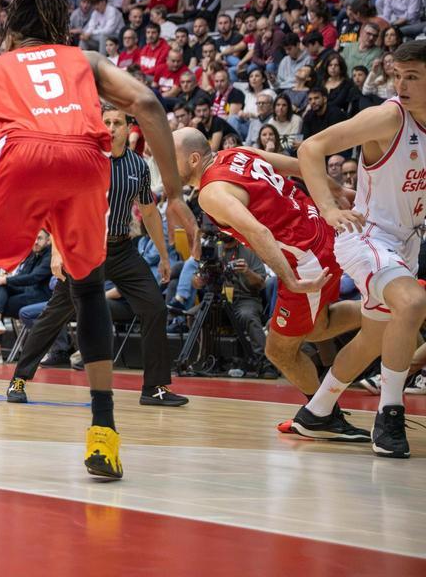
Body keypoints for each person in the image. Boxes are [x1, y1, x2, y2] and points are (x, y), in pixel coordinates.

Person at [0, 0, 198, 482]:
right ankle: (104, 434)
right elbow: (148, 104)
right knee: (87, 290)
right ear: (59, 28)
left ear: (13, 30)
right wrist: (173, 195)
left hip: (20, 157)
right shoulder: (84, 60)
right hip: (87, 162)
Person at [173, 131, 368, 436]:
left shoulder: (210, 193)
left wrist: (290, 281)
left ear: (193, 159)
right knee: (316, 327)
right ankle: (385, 311)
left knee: (278, 351)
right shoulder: (238, 152)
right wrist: (336, 189)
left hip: (306, 259)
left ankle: (325, 415)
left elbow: (259, 233)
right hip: (319, 230)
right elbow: (301, 165)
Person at [5, 107, 187, 407]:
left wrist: (164, 255)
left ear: (129, 128)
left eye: (118, 123)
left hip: (122, 248)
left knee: (155, 306)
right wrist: (57, 251)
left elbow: (150, 211)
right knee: (56, 314)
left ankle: (154, 387)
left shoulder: (138, 166)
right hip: (84, 248)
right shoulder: (81, 160)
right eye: (107, 123)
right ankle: (19, 379)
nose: (112, 128)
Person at [295, 41, 426, 458]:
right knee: (411, 301)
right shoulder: (388, 117)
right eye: (397, 75)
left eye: (412, 77)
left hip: (406, 241)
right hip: (365, 234)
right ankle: (389, 414)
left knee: (374, 338)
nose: (401, 85)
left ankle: (316, 411)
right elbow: (310, 148)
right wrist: (329, 208)